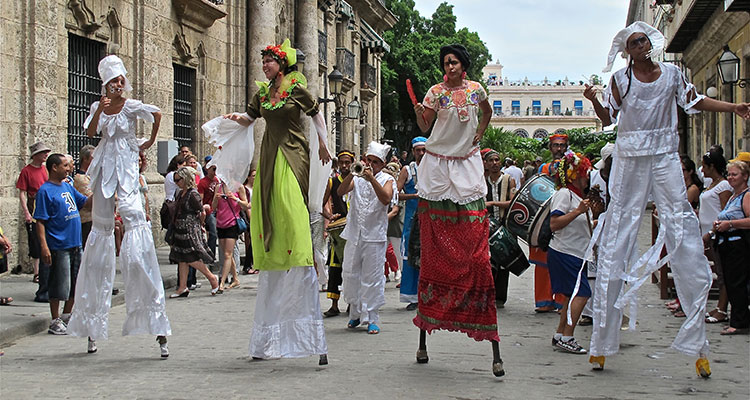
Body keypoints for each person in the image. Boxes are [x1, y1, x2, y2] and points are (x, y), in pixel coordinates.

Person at [582, 21, 750, 375]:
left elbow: (695, 100)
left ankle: (697, 343)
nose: (640, 46)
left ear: (650, 42)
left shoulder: (672, 74)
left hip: (663, 156)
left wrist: (732, 107)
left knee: (683, 230)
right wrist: (594, 100)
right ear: (626, 51)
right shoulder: (621, 80)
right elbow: (608, 117)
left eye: (643, 39)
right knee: (617, 234)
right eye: (633, 43)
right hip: (628, 158)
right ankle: (601, 342)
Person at [224, 38, 330, 362]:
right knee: (270, 206)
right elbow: (250, 117)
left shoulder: (296, 88)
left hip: (293, 153)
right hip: (270, 154)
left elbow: (316, 114)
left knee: (291, 207)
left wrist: (323, 144)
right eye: (264, 60)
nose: (265, 65)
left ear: (281, 64)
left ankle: (302, 247)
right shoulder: (263, 94)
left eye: (269, 60)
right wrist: (234, 119)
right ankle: (267, 339)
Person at [67, 55, 171, 357]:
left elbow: (157, 113)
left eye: (120, 79)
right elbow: (89, 132)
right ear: (105, 83)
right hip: (103, 168)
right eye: (113, 80)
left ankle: (154, 318)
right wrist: (100, 106)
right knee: (100, 231)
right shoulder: (98, 106)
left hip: (125, 165)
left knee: (135, 220)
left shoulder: (131, 105)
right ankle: (91, 324)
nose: (118, 84)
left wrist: (146, 142)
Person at [412, 43, 504, 376]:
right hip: (437, 167)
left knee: (478, 258)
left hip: (466, 167)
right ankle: (423, 340)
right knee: (433, 249)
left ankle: (487, 332)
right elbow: (425, 129)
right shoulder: (435, 92)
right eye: (445, 62)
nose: (449, 66)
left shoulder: (477, 90)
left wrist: (478, 134)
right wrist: (420, 110)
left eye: (454, 62)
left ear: (463, 65)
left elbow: (488, 112)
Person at [338, 142, 397, 334]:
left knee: (372, 277)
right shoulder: (357, 176)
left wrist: (372, 179)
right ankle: (355, 314)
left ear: (383, 163)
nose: (371, 164)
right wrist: (353, 173)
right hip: (355, 233)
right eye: (368, 160)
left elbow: (386, 199)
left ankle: (372, 317)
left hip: (374, 235)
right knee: (351, 274)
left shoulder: (388, 179)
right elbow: (340, 192)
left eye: (376, 162)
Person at [34, 154, 92, 335]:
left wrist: (100, 190)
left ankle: (68, 314)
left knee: (76, 282)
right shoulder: (45, 191)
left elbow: (86, 204)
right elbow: (40, 221)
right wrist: (44, 246)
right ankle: (55, 319)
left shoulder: (67, 187)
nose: (69, 168)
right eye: (65, 165)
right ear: (54, 167)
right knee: (60, 284)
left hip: (75, 243)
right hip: (59, 244)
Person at [547, 152, 594, 354]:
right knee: (583, 293)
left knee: (570, 295)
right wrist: (577, 212)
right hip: (565, 251)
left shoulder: (577, 196)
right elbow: (554, 223)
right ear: (575, 175)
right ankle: (568, 336)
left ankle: (560, 334)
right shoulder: (564, 194)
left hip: (575, 252)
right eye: (585, 173)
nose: (588, 177)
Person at [168, 166, 220, 298]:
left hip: (190, 229)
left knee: (191, 257)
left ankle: (212, 278)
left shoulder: (193, 193)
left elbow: (201, 212)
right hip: (180, 228)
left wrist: (200, 224)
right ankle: (182, 287)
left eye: (178, 180)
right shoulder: (181, 193)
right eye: (175, 180)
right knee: (181, 258)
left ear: (185, 179)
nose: (176, 183)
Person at [531, 134, 568, 313]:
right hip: (545, 218)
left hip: (564, 216)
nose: (559, 149)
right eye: (555, 146)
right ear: (550, 148)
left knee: (564, 260)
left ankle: (563, 301)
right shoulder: (543, 168)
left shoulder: (573, 166)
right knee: (543, 261)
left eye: (562, 145)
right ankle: (544, 300)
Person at [712, 161, 750, 335]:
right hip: (726, 242)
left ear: (745, 176)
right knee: (731, 282)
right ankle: (738, 318)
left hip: (738, 244)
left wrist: (730, 223)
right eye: (729, 175)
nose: (731, 178)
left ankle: (739, 321)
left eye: (735, 174)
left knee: (737, 283)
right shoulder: (734, 196)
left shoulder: (746, 196)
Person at [321, 150, 354, 317]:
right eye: (341, 162)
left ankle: (352, 303)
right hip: (338, 229)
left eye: (347, 162)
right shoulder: (332, 182)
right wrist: (330, 217)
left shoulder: (358, 180)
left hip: (354, 229)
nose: (344, 166)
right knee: (335, 267)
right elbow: (322, 204)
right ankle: (334, 305)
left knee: (352, 268)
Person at [16, 141, 50, 292]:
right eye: (43, 153)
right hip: (34, 205)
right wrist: (26, 212)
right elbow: (22, 193)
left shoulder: (46, 170)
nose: (46, 155)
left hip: (45, 205)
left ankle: (45, 270)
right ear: (36, 155)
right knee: (35, 241)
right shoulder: (26, 171)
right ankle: (37, 272)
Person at [484, 149, 516, 307]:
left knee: (504, 263)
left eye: (497, 160)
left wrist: (493, 204)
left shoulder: (509, 180)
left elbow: (513, 202)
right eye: (491, 161)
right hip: (487, 225)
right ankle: (487, 294)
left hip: (505, 224)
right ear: (486, 164)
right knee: (487, 262)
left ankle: (500, 297)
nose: (494, 163)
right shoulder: (482, 181)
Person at [397, 137, 426, 310]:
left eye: (424, 150)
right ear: (413, 151)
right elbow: (395, 194)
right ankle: (412, 295)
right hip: (411, 220)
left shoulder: (434, 168)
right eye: (418, 150)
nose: (421, 153)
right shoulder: (407, 170)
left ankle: (427, 294)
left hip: (430, 219)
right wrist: (413, 196)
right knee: (410, 256)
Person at [213, 180, 248, 292]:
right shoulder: (218, 187)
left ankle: (222, 282)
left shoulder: (238, 187)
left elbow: (246, 205)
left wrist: (235, 199)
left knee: (228, 254)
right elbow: (214, 208)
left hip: (232, 223)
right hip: (220, 223)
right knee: (227, 253)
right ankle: (236, 279)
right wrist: (216, 199)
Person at [74, 145, 96, 248]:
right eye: (93, 157)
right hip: (87, 220)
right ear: (85, 159)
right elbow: (91, 201)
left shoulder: (92, 176)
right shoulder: (80, 178)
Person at [198, 164, 220, 264]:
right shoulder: (203, 182)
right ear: (208, 169)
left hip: (218, 210)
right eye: (214, 169)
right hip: (209, 210)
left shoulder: (217, 180)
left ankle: (212, 255)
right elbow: (201, 198)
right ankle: (210, 255)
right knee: (213, 232)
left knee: (215, 233)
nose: (215, 171)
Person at [241, 169, 257, 275]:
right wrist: (250, 218)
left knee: (254, 242)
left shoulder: (257, 188)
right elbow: (247, 206)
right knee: (251, 242)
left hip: (257, 216)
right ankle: (248, 265)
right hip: (249, 216)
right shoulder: (246, 189)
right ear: (248, 177)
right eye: (253, 176)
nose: (255, 178)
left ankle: (253, 264)